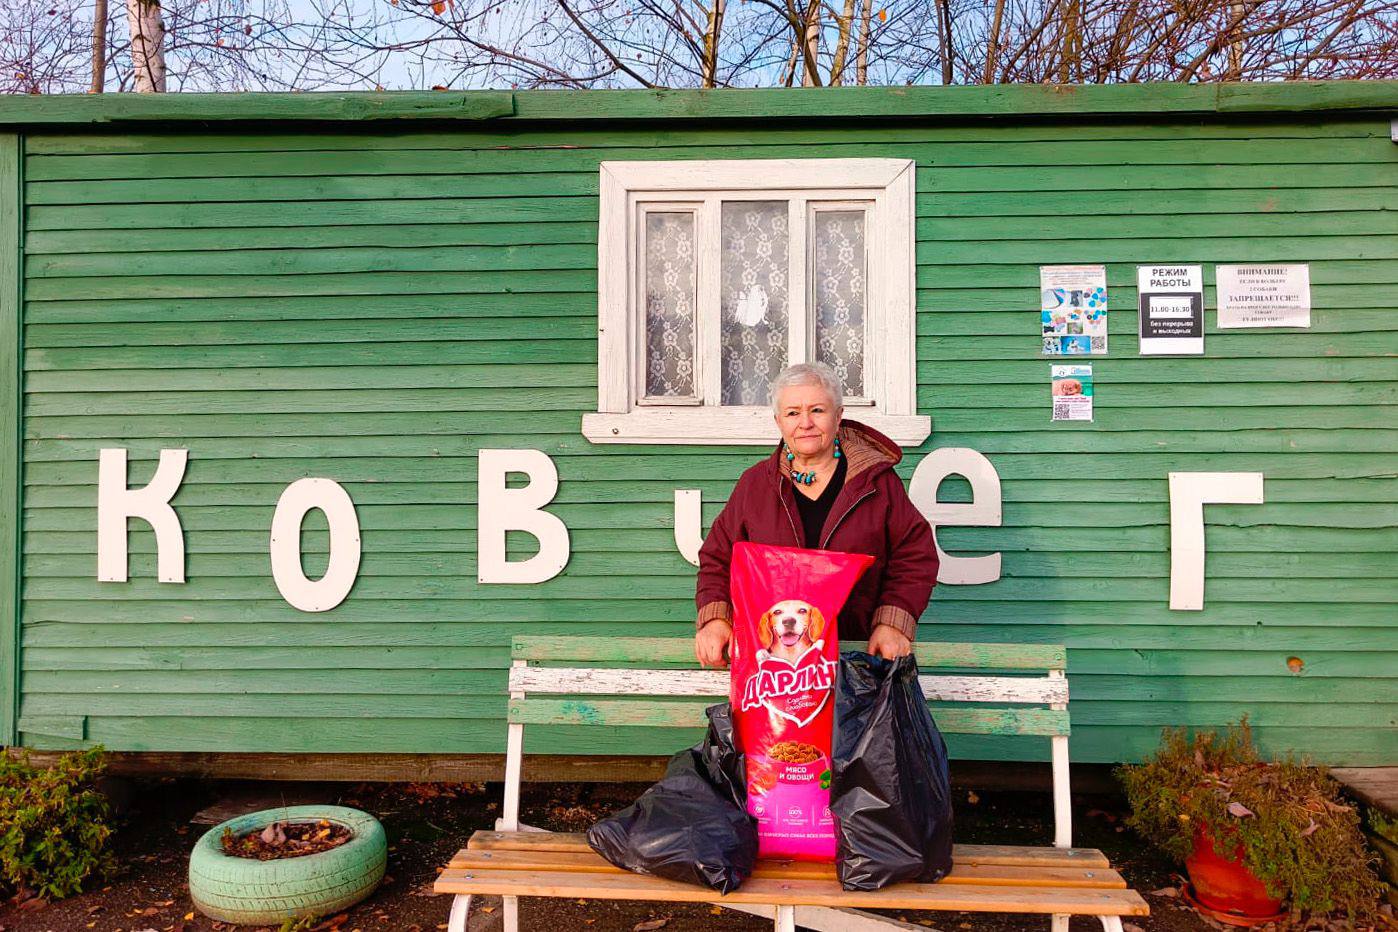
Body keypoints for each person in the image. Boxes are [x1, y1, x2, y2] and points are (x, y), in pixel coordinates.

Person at [694, 362, 940, 668]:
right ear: (778, 421)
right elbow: (719, 558)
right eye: (793, 413)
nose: (805, 423)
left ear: (838, 417)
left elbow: (914, 555)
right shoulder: (755, 485)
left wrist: (892, 622)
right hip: (775, 668)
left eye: (818, 411)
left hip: (857, 657)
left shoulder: (877, 484)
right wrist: (716, 619)